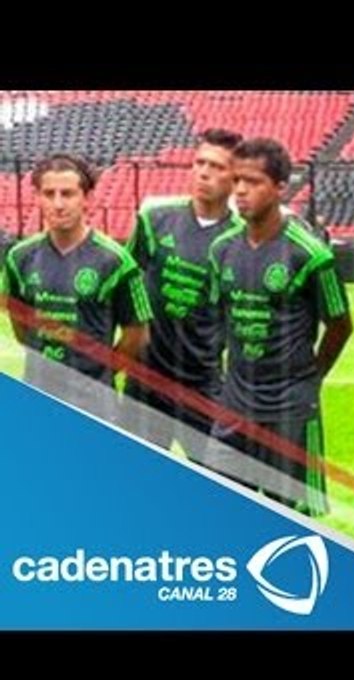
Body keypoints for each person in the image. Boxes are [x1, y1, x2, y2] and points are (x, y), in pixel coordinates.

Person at [208, 138, 352, 518]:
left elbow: (340, 324)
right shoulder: (222, 250)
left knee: (287, 524)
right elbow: (220, 317)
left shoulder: (310, 254)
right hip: (235, 404)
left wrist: (311, 376)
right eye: (237, 180)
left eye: (252, 182)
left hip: (289, 406)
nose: (240, 190)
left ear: (280, 187)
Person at [122, 128, 244, 460]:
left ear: (236, 179)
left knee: (214, 489)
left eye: (217, 167)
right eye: (199, 162)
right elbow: (124, 290)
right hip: (146, 381)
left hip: (202, 385)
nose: (204, 172)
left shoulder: (242, 239)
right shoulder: (154, 220)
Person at [3, 154, 153, 420]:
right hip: (37, 398)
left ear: (87, 198)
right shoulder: (19, 257)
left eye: (68, 193)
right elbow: (18, 319)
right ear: (37, 197)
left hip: (94, 406)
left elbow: (136, 333)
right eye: (49, 194)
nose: (58, 204)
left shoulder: (116, 261)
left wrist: (99, 371)